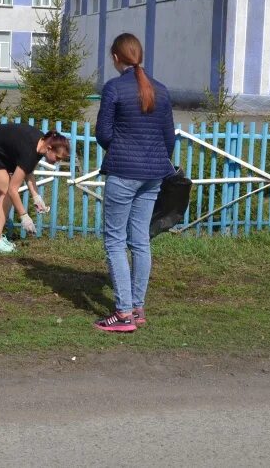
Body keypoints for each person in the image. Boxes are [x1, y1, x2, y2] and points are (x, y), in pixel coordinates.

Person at [93, 33, 175, 333]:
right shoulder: (162, 91)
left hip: (123, 173)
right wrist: (151, 158)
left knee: (114, 241)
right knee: (140, 240)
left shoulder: (114, 88)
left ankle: (123, 314)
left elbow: (103, 134)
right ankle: (137, 309)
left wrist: (123, 149)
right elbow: (169, 139)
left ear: (116, 57)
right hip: (154, 175)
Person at [0, 123, 70, 253]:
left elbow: (27, 170)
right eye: (58, 157)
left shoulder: (40, 143)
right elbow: (12, 190)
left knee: (2, 191)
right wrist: (24, 216)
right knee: (6, 191)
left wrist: (36, 196)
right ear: (49, 148)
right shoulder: (30, 150)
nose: (58, 161)